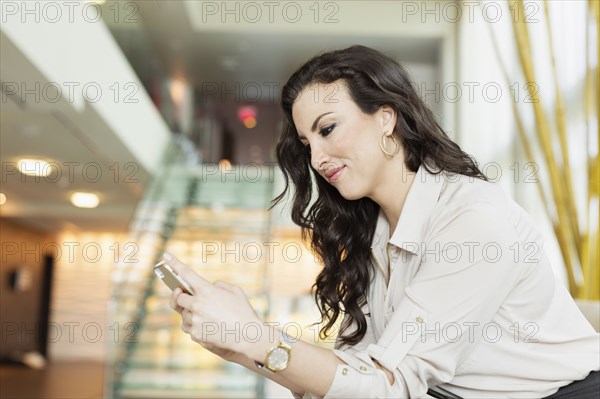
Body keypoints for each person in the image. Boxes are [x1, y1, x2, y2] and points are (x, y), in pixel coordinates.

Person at [165, 45, 599, 398]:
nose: (316, 159)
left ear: (386, 118)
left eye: (328, 129)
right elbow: (355, 378)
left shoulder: (472, 221)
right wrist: (239, 345)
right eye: (306, 142)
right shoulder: (373, 232)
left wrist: (254, 335)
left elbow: (392, 386)